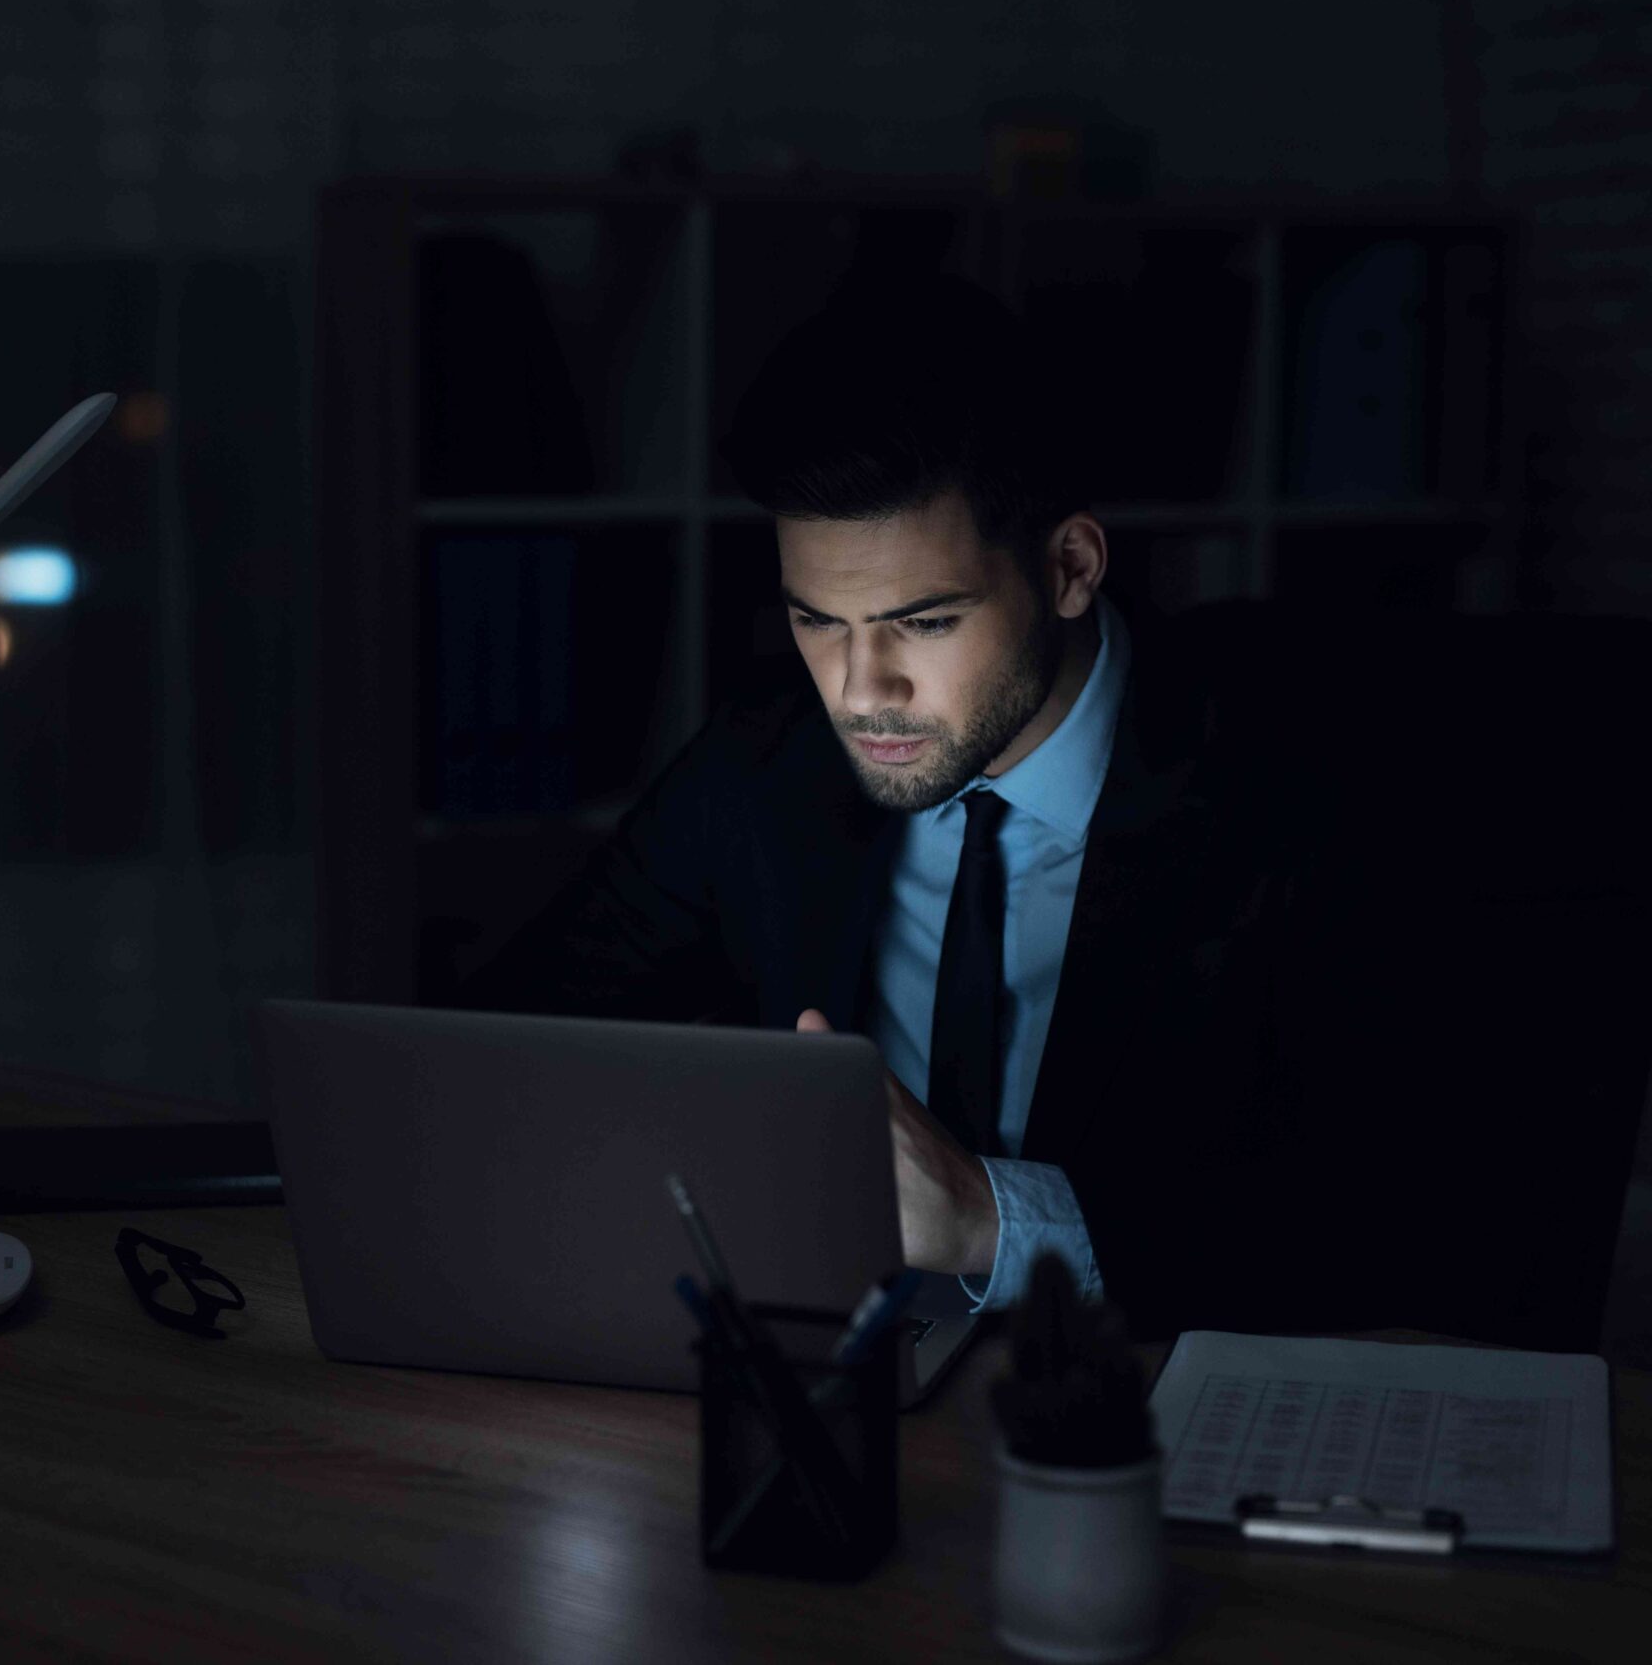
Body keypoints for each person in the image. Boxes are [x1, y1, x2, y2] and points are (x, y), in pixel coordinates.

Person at [464, 276, 1367, 1333]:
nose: (859, 691)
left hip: (1152, 1405)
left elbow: (1374, 1217)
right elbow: (511, 1037)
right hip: (840, 1382)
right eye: (818, 620)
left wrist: (992, 1215)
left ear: (1070, 567)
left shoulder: (1290, 792)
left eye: (924, 623)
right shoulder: (760, 766)